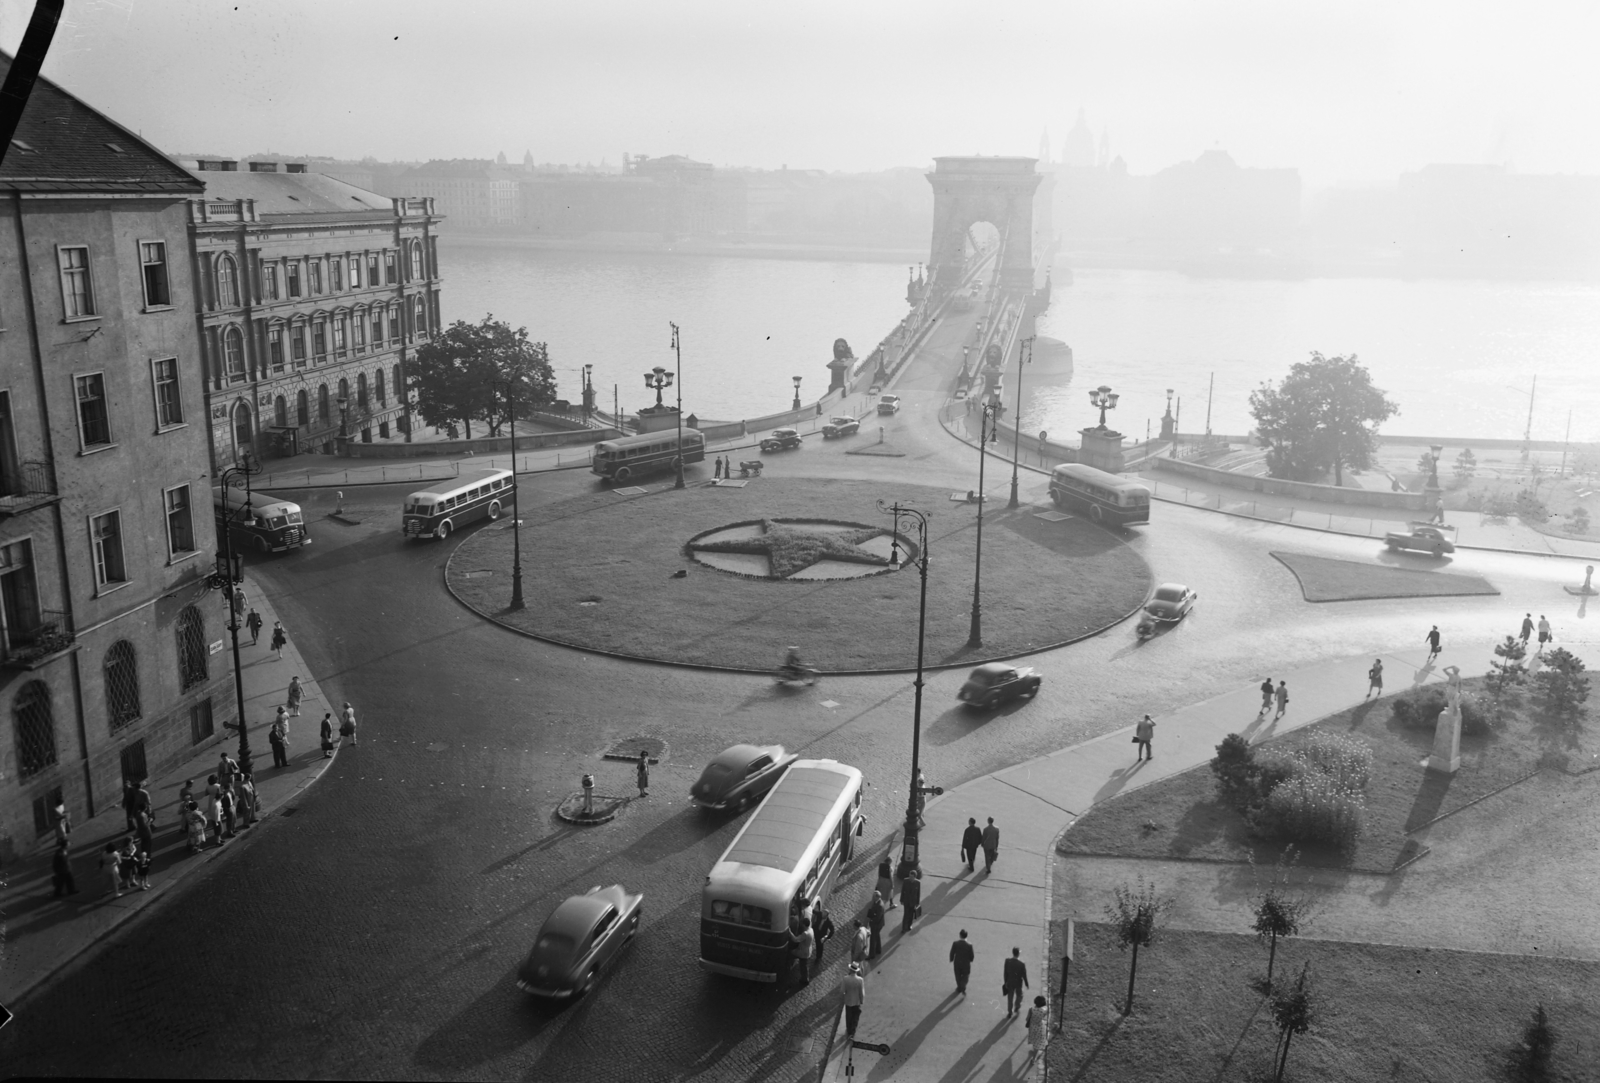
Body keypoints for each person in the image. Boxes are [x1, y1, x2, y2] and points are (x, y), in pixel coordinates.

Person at [841, 962, 866, 1037]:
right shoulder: (860, 980)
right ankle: (852, 1032)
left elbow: (842, 991)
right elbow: (861, 992)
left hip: (848, 1001)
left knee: (848, 1016)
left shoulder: (845, 979)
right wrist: (861, 1000)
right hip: (857, 1001)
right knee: (855, 1016)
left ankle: (848, 1030)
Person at [1003, 947, 1029, 1016]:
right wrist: (1026, 983)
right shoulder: (1021, 964)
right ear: (1018, 954)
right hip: (1018, 983)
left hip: (1010, 982)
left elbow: (1005, 973)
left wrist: (1005, 982)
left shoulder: (1007, 961)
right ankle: (1017, 1006)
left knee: (1010, 997)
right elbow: (1024, 975)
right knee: (1019, 995)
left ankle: (1009, 1011)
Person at [791, 916, 815, 988]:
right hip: (808, 950)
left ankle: (804, 979)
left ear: (804, 924)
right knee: (804, 966)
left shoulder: (805, 933)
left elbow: (796, 939)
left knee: (802, 965)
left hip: (803, 951)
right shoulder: (811, 929)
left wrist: (790, 933)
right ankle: (804, 978)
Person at [949, 929, 975, 994]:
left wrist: (951, 959)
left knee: (957, 975)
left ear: (960, 935)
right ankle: (962, 986)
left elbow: (952, 952)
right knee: (966, 975)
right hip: (966, 963)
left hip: (957, 963)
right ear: (966, 936)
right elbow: (972, 955)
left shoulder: (955, 943)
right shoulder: (969, 945)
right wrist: (971, 960)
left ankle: (959, 987)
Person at [1025, 995, 1049, 1063]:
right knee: (1038, 1043)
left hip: (1032, 1027)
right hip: (1040, 1028)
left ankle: (1034, 1050)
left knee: (1034, 1039)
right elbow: (1044, 1016)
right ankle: (1034, 1059)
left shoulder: (1031, 1009)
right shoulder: (1044, 1010)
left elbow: (1027, 1019)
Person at [899, 868, 922, 934]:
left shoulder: (918, 883)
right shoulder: (905, 881)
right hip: (906, 901)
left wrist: (917, 902)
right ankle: (903, 928)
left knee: (911, 915)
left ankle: (909, 925)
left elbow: (918, 893)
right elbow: (902, 891)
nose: (910, 878)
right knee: (906, 915)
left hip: (913, 902)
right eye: (909, 876)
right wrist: (901, 900)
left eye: (912, 877)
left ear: (915, 877)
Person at [867, 891, 886, 959]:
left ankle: (872, 954)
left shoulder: (880, 905)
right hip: (879, 924)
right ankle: (878, 950)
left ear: (877, 897)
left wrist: (871, 920)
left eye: (874, 896)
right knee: (877, 936)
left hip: (877, 924)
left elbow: (878, 917)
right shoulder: (878, 902)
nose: (872, 897)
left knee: (873, 939)